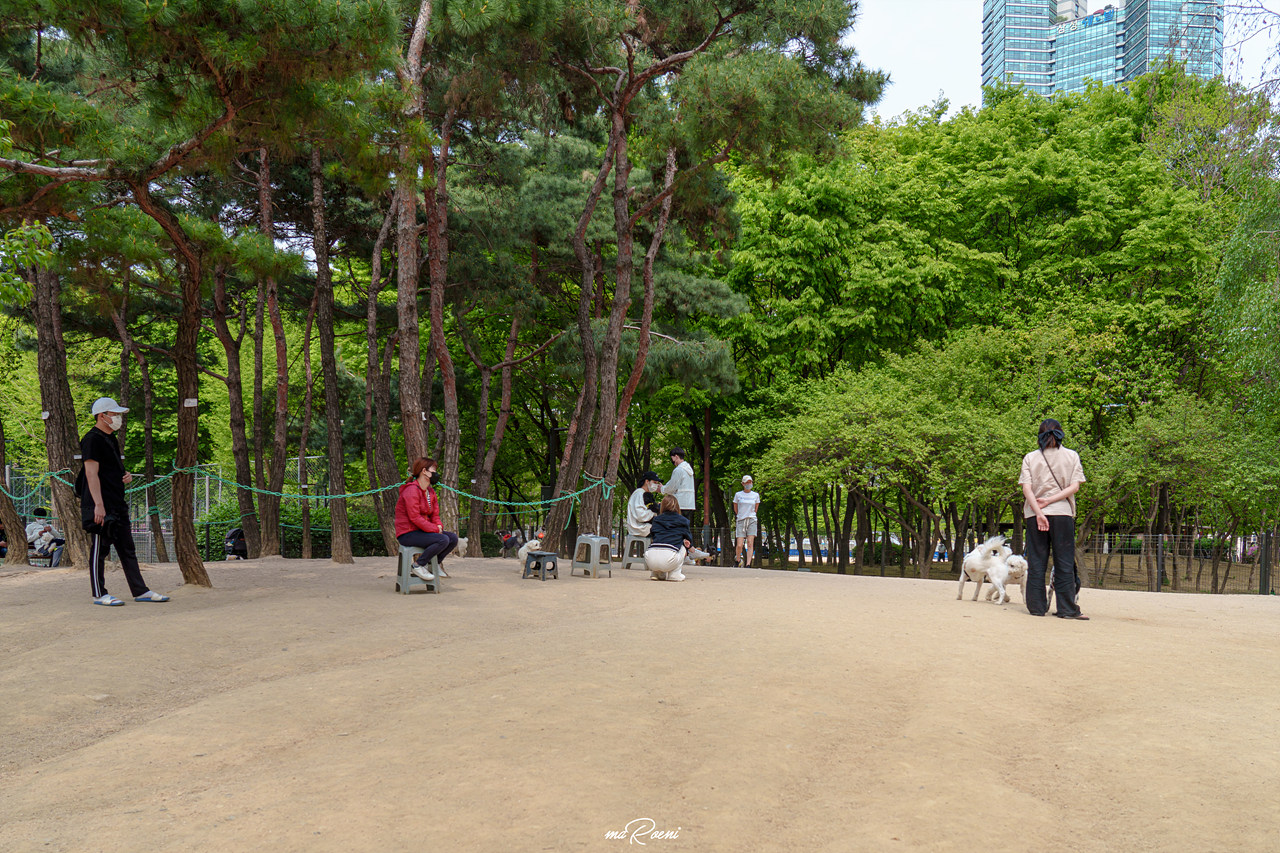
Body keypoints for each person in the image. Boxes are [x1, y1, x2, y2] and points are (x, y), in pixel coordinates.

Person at [79, 397, 170, 606]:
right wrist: (98, 505)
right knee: (100, 549)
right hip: (101, 504)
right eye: (114, 414)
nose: (118, 418)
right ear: (102, 416)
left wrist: (125, 475)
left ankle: (140, 590)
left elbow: (110, 469)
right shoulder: (91, 439)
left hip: (117, 502)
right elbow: (91, 474)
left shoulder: (110, 438)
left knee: (127, 548)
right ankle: (99, 593)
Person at [1020, 418, 1088, 620]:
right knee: (1064, 561)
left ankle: (1036, 607)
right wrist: (1050, 501)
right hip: (1062, 513)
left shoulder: (1030, 458)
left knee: (1037, 560)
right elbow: (1074, 487)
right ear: (1060, 433)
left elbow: (1026, 489)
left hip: (1034, 514)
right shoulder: (1071, 456)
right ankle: (1067, 609)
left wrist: (1039, 512)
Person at [394, 457, 458, 581]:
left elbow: (435, 515)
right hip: (408, 533)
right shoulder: (411, 490)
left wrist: (438, 526)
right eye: (433, 470)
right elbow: (414, 517)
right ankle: (418, 565)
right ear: (424, 471)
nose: (436, 473)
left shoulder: (431, 492)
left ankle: (434, 564)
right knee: (442, 540)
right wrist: (434, 529)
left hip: (422, 531)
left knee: (452, 538)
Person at [644, 495, 692, 582]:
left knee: (657, 545)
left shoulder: (656, 519)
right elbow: (689, 539)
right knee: (683, 546)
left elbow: (653, 534)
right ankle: (674, 574)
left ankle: (656, 573)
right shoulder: (683, 521)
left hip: (650, 558)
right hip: (669, 557)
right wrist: (687, 543)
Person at [732, 475, 761, 568]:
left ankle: (748, 563)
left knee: (750, 543)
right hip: (741, 519)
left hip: (751, 519)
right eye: (747, 482)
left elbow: (756, 508)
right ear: (743, 484)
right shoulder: (738, 495)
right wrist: (740, 515)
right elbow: (735, 508)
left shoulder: (755, 495)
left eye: (750, 482)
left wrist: (751, 515)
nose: (748, 484)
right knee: (739, 544)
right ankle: (738, 560)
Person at [626, 470, 663, 537]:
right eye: (654, 482)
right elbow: (641, 516)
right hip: (639, 528)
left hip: (643, 526)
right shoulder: (639, 493)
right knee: (667, 530)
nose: (656, 485)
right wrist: (654, 512)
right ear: (647, 481)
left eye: (657, 483)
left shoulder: (643, 493)